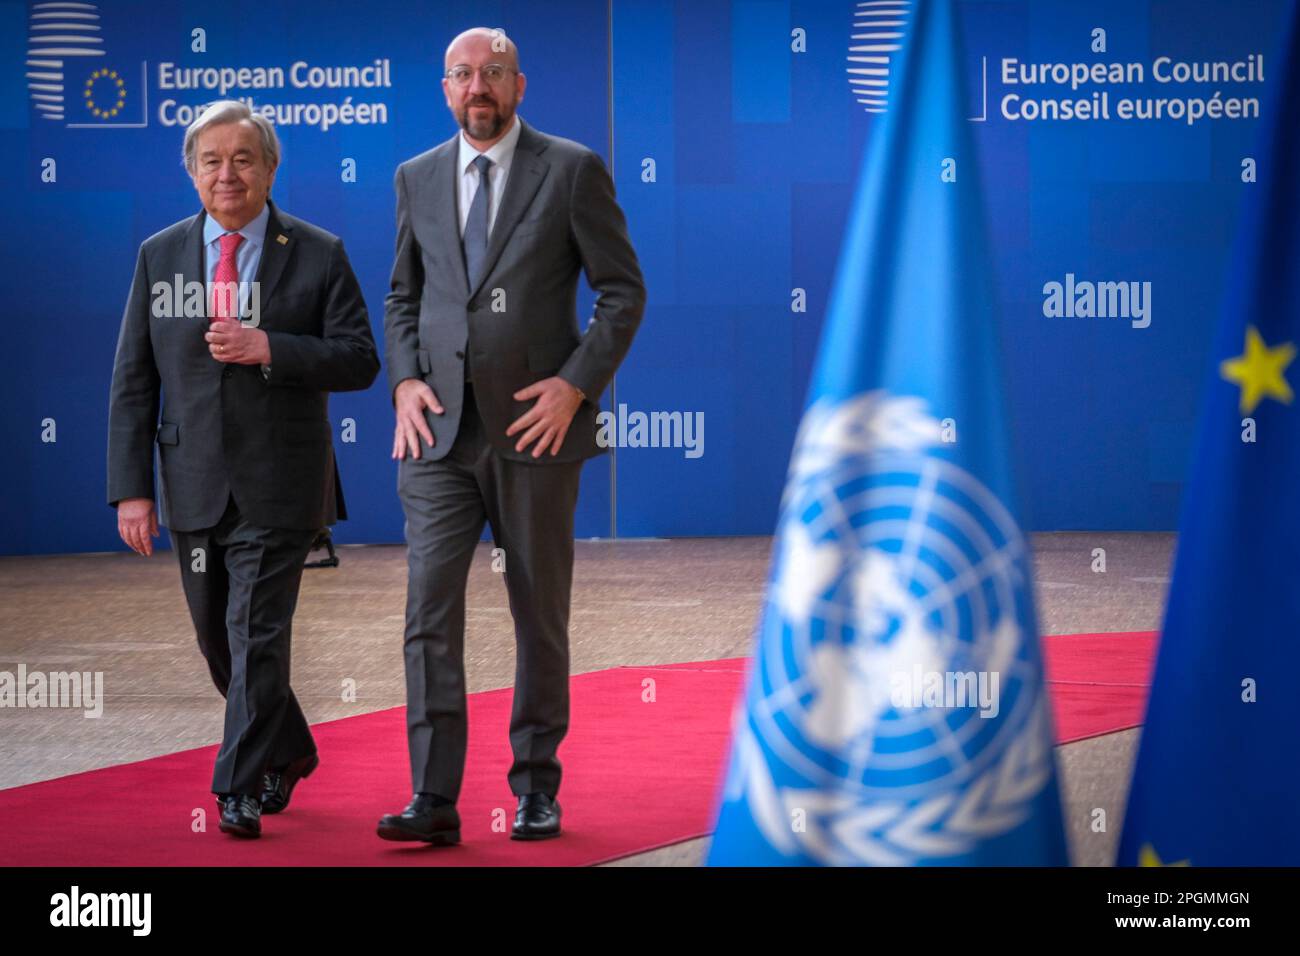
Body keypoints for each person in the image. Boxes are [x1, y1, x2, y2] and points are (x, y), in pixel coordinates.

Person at [379, 27, 646, 844]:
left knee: (538, 612)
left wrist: (574, 386)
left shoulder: (570, 170)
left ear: (520, 85)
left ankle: (536, 787)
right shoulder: (416, 177)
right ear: (445, 88)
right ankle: (433, 799)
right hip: (437, 438)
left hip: (535, 432)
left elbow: (622, 293)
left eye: (493, 74)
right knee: (429, 610)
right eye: (463, 75)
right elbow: (401, 298)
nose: (478, 88)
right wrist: (405, 381)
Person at [106, 100, 380, 838]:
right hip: (192, 483)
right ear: (192, 173)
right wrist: (132, 489)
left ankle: (235, 785)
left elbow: (360, 358)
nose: (227, 174)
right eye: (211, 160)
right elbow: (135, 377)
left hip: (282, 484)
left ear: (270, 168)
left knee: (256, 632)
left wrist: (272, 348)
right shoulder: (159, 255)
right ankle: (288, 750)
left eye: (243, 159)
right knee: (218, 642)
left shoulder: (318, 251)